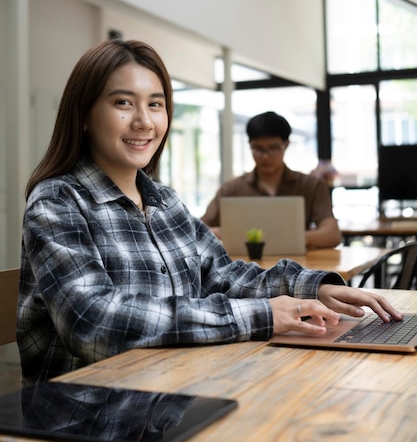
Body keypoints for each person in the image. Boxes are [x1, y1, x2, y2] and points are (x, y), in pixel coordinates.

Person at [17, 39, 402, 389]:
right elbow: (94, 322)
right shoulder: (57, 202)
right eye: (123, 103)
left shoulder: (164, 201)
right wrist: (264, 313)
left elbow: (222, 274)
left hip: (179, 387)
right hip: (95, 414)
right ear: (83, 115)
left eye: (155, 103)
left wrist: (309, 288)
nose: (144, 121)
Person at [201, 111, 342, 249]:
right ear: (250, 145)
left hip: (295, 267)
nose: (265, 156)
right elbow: (197, 231)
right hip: (244, 268)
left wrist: (293, 239)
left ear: (286, 145)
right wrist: (226, 234)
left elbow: (332, 235)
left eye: (273, 148)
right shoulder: (231, 189)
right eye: (258, 148)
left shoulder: (310, 186)